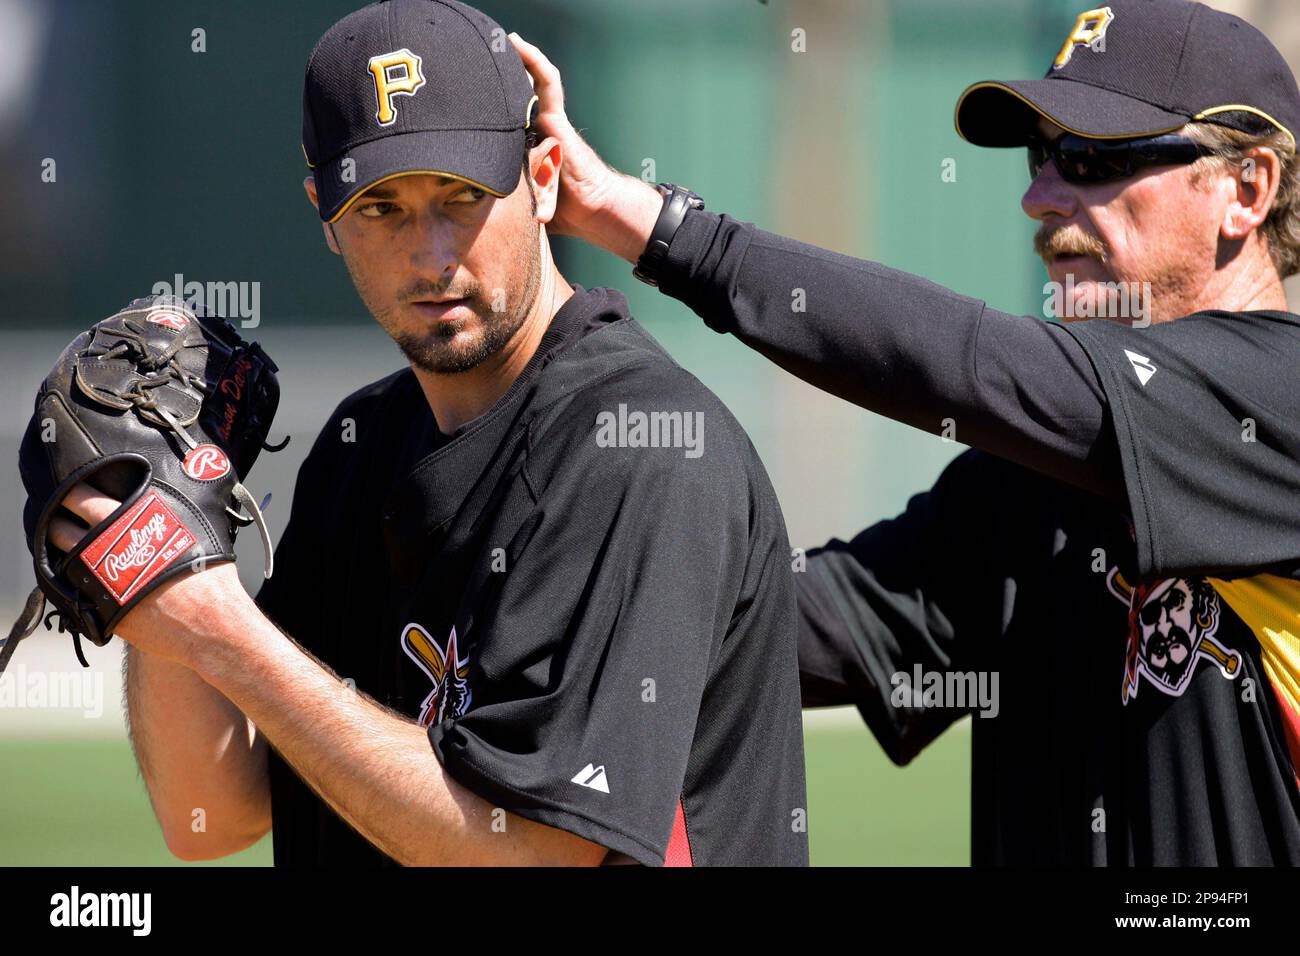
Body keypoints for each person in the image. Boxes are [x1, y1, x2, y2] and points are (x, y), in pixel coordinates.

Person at [510, 0, 1300, 864]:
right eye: (1041, 157)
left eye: (1092, 159)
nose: (1039, 196)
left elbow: (974, 366)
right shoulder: (1034, 481)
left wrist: (655, 228)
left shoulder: (1280, 405)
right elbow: (788, 628)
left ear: (1246, 189)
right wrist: (526, 565)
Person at [48, 0, 808, 867]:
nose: (430, 253)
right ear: (326, 215)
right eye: (381, 207)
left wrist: (222, 630)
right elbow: (214, 815)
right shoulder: (360, 446)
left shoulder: (643, 452)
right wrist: (167, 566)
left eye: (462, 195)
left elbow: (532, 853)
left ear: (545, 177)